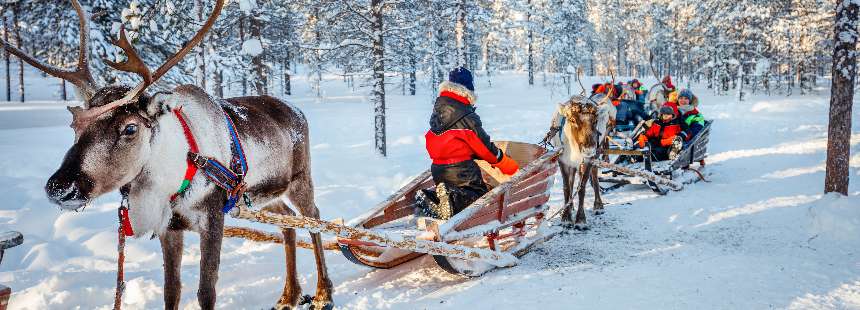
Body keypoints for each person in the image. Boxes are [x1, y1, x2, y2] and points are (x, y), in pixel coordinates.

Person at [417, 67, 519, 220]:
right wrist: (506, 164)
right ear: (468, 89)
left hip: (438, 170)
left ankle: (430, 197)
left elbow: (445, 141)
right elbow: (486, 149)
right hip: (462, 172)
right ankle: (451, 200)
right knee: (479, 197)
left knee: (455, 194)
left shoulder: (439, 111)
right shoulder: (467, 116)